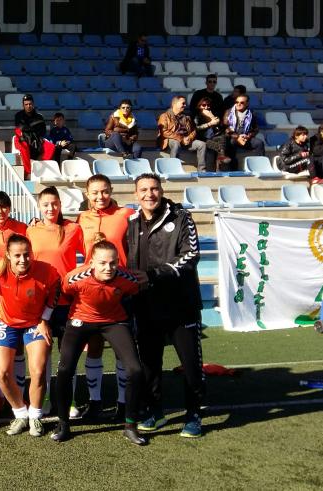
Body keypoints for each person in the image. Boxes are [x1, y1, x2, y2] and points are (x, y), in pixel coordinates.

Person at [125, 173, 206, 438]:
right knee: (150, 364)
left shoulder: (181, 217)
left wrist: (155, 274)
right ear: (136, 194)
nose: (149, 194)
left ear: (161, 190)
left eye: (154, 189)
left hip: (181, 305)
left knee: (191, 365)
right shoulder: (133, 222)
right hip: (146, 306)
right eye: (144, 190)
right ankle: (155, 410)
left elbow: (192, 254)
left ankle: (194, 414)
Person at [50, 240, 147, 446]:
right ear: (92, 262)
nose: (108, 268)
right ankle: (64, 423)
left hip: (114, 322)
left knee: (135, 370)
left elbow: (136, 290)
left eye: (112, 263)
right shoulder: (76, 278)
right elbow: (65, 290)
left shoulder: (126, 278)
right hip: (81, 320)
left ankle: (130, 425)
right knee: (65, 369)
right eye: (102, 263)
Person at [76, 174, 135, 420]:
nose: (100, 197)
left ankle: (123, 403)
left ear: (111, 190)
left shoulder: (126, 215)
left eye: (104, 191)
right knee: (95, 347)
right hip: (93, 292)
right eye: (95, 193)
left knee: (124, 349)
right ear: (87, 195)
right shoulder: (82, 220)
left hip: (122, 290)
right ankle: (96, 402)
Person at [0, 234, 60, 437]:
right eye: (18, 255)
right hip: (5, 322)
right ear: (8, 256)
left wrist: (45, 318)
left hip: (35, 324)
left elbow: (56, 289)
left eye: (27, 254)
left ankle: (35, 416)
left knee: (38, 371)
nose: (23, 260)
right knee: (2, 373)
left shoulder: (46, 271)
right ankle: (20, 413)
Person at [25, 187, 84, 407]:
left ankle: (70, 401)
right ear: (39, 206)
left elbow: (90, 257)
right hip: (41, 305)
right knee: (43, 356)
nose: (51, 208)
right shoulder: (30, 231)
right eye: (46, 204)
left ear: (60, 204)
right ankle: (47, 397)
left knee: (68, 358)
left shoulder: (73, 229)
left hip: (68, 302)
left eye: (55, 203)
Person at [158, 96, 208, 171]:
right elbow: (164, 132)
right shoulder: (164, 116)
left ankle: (202, 170)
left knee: (202, 144)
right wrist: (181, 139)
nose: (185, 105)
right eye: (183, 103)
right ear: (175, 104)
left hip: (186, 140)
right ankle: (173, 169)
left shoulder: (186, 117)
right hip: (171, 139)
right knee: (176, 143)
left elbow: (193, 130)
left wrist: (189, 138)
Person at [14, 94, 50, 176]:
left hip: (35, 138)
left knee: (51, 147)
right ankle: (28, 172)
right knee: (24, 146)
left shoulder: (39, 116)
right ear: (23, 105)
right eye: (26, 104)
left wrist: (34, 135)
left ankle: (40, 166)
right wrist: (31, 131)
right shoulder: (18, 115)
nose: (28, 106)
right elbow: (20, 129)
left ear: (33, 104)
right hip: (21, 138)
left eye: (30, 104)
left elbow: (42, 131)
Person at [222, 94, 265, 159]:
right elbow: (225, 127)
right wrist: (237, 136)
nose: (238, 104)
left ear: (247, 104)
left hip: (245, 137)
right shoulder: (229, 112)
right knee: (231, 143)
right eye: (237, 102)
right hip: (233, 137)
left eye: (242, 102)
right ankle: (232, 166)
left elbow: (255, 129)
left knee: (259, 143)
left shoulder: (251, 113)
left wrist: (248, 136)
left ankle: (260, 164)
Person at [193, 96, 230, 170]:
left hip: (214, 136)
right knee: (220, 147)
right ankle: (220, 161)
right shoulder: (197, 116)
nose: (206, 107)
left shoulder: (212, 114)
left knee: (223, 137)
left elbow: (219, 127)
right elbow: (196, 128)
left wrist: (212, 117)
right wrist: (210, 123)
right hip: (203, 138)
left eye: (208, 105)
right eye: (203, 105)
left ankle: (220, 161)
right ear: (199, 106)